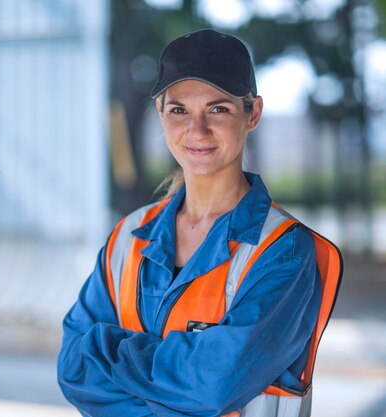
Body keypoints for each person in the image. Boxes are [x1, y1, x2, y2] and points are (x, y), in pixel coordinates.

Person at [57, 29, 342, 417]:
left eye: (218, 109)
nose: (197, 130)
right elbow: (73, 366)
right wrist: (175, 384)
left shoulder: (283, 251)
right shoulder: (127, 238)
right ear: (160, 113)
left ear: (253, 113)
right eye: (179, 110)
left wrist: (105, 352)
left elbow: (210, 387)